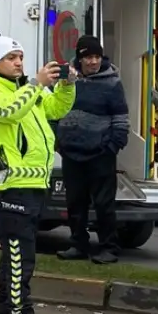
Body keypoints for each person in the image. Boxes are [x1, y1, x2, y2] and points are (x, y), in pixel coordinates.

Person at [0, 37, 76, 314]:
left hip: (32, 180)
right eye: (10, 57)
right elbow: (8, 113)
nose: (18, 62)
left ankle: (4, 312)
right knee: (21, 253)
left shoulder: (25, 90)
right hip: (9, 182)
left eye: (20, 56)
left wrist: (67, 85)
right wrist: (36, 83)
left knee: (14, 251)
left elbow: (56, 109)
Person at [55, 36, 129, 265]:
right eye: (89, 57)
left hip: (100, 153)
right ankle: (78, 244)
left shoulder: (112, 83)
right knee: (75, 202)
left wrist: (112, 146)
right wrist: (59, 141)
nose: (93, 62)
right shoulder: (67, 80)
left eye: (97, 57)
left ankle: (109, 247)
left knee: (104, 204)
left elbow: (121, 119)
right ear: (80, 58)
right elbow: (53, 108)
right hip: (71, 152)